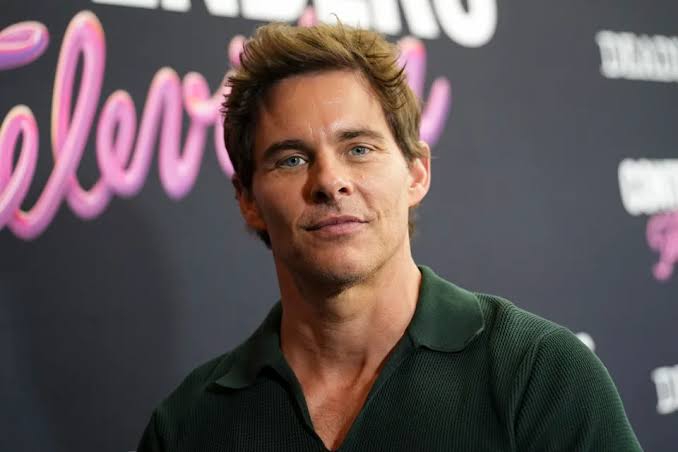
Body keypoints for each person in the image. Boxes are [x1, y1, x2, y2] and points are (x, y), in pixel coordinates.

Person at [137, 22, 642, 452]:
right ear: (248, 200)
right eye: (291, 159)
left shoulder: (541, 376)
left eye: (358, 149)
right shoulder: (187, 424)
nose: (329, 181)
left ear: (417, 173)